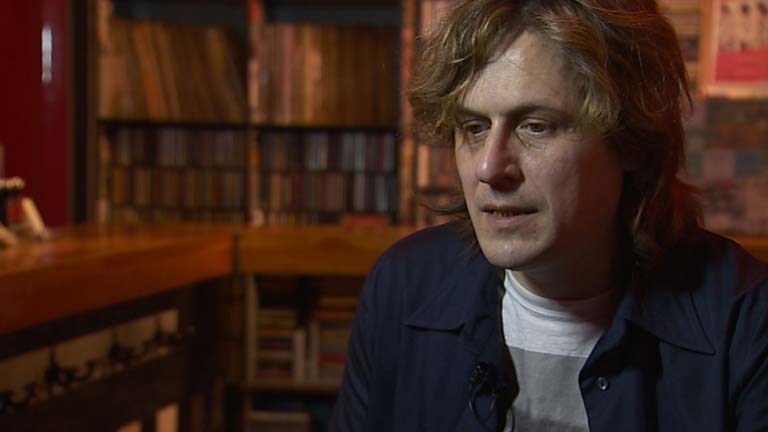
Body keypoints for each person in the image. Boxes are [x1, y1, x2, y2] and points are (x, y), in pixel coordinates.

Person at [330, 0, 768, 430]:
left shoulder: (745, 316)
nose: (489, 167)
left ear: (632, 140)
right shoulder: (405, 285)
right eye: (474, 128)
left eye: (535, 126)